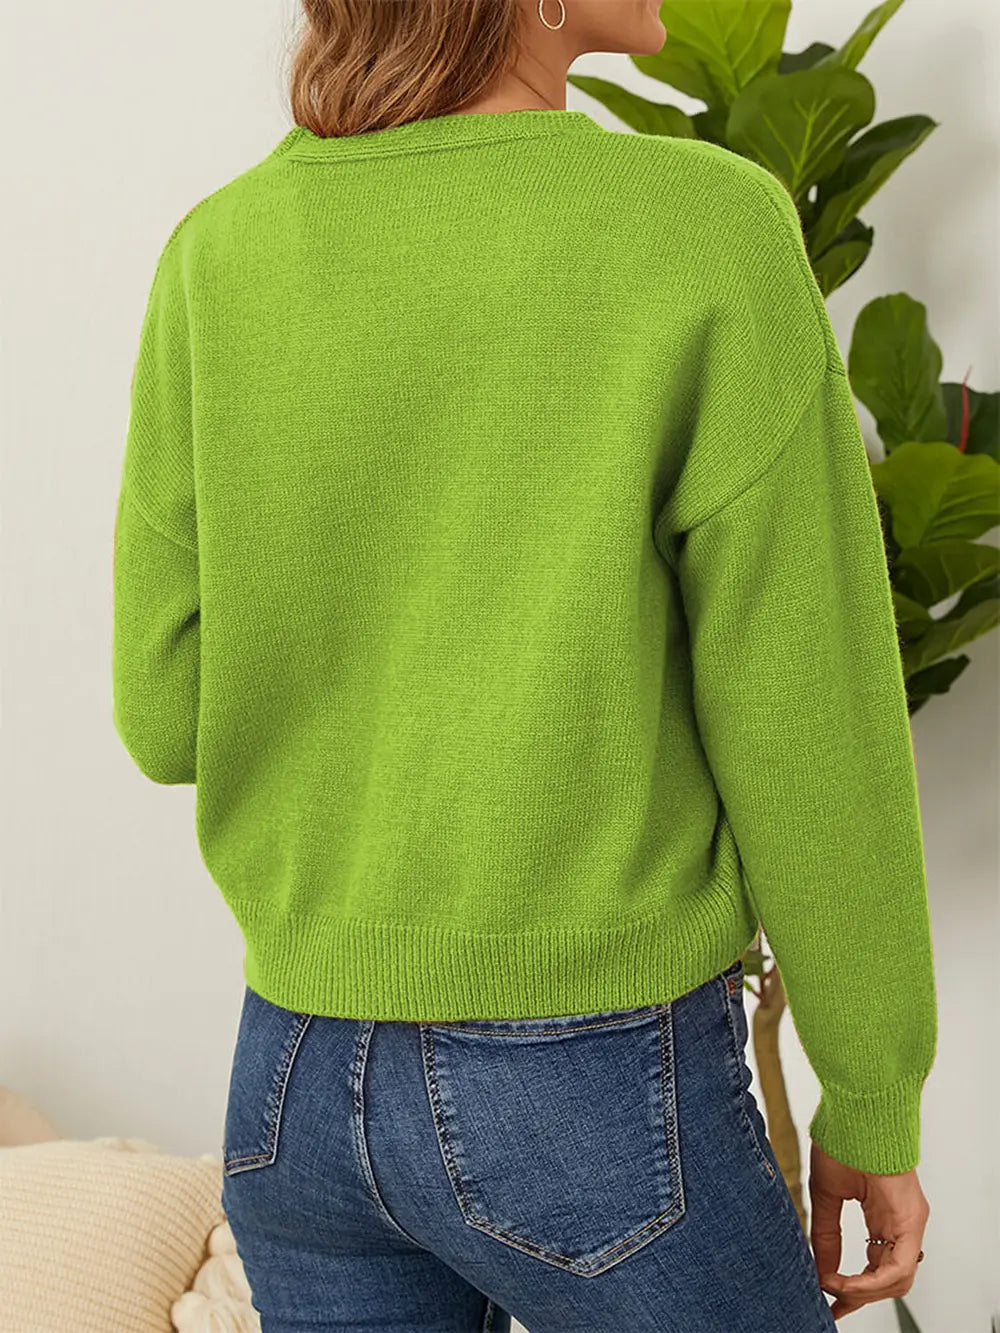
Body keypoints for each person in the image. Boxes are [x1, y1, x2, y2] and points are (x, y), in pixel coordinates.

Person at [111, 0, 936, 1328]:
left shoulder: (222, 247)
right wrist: (872, 1092)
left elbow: (162, 713)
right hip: (593, 1084)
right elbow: (805, 717)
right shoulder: (700, 225)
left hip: (294, 1078)